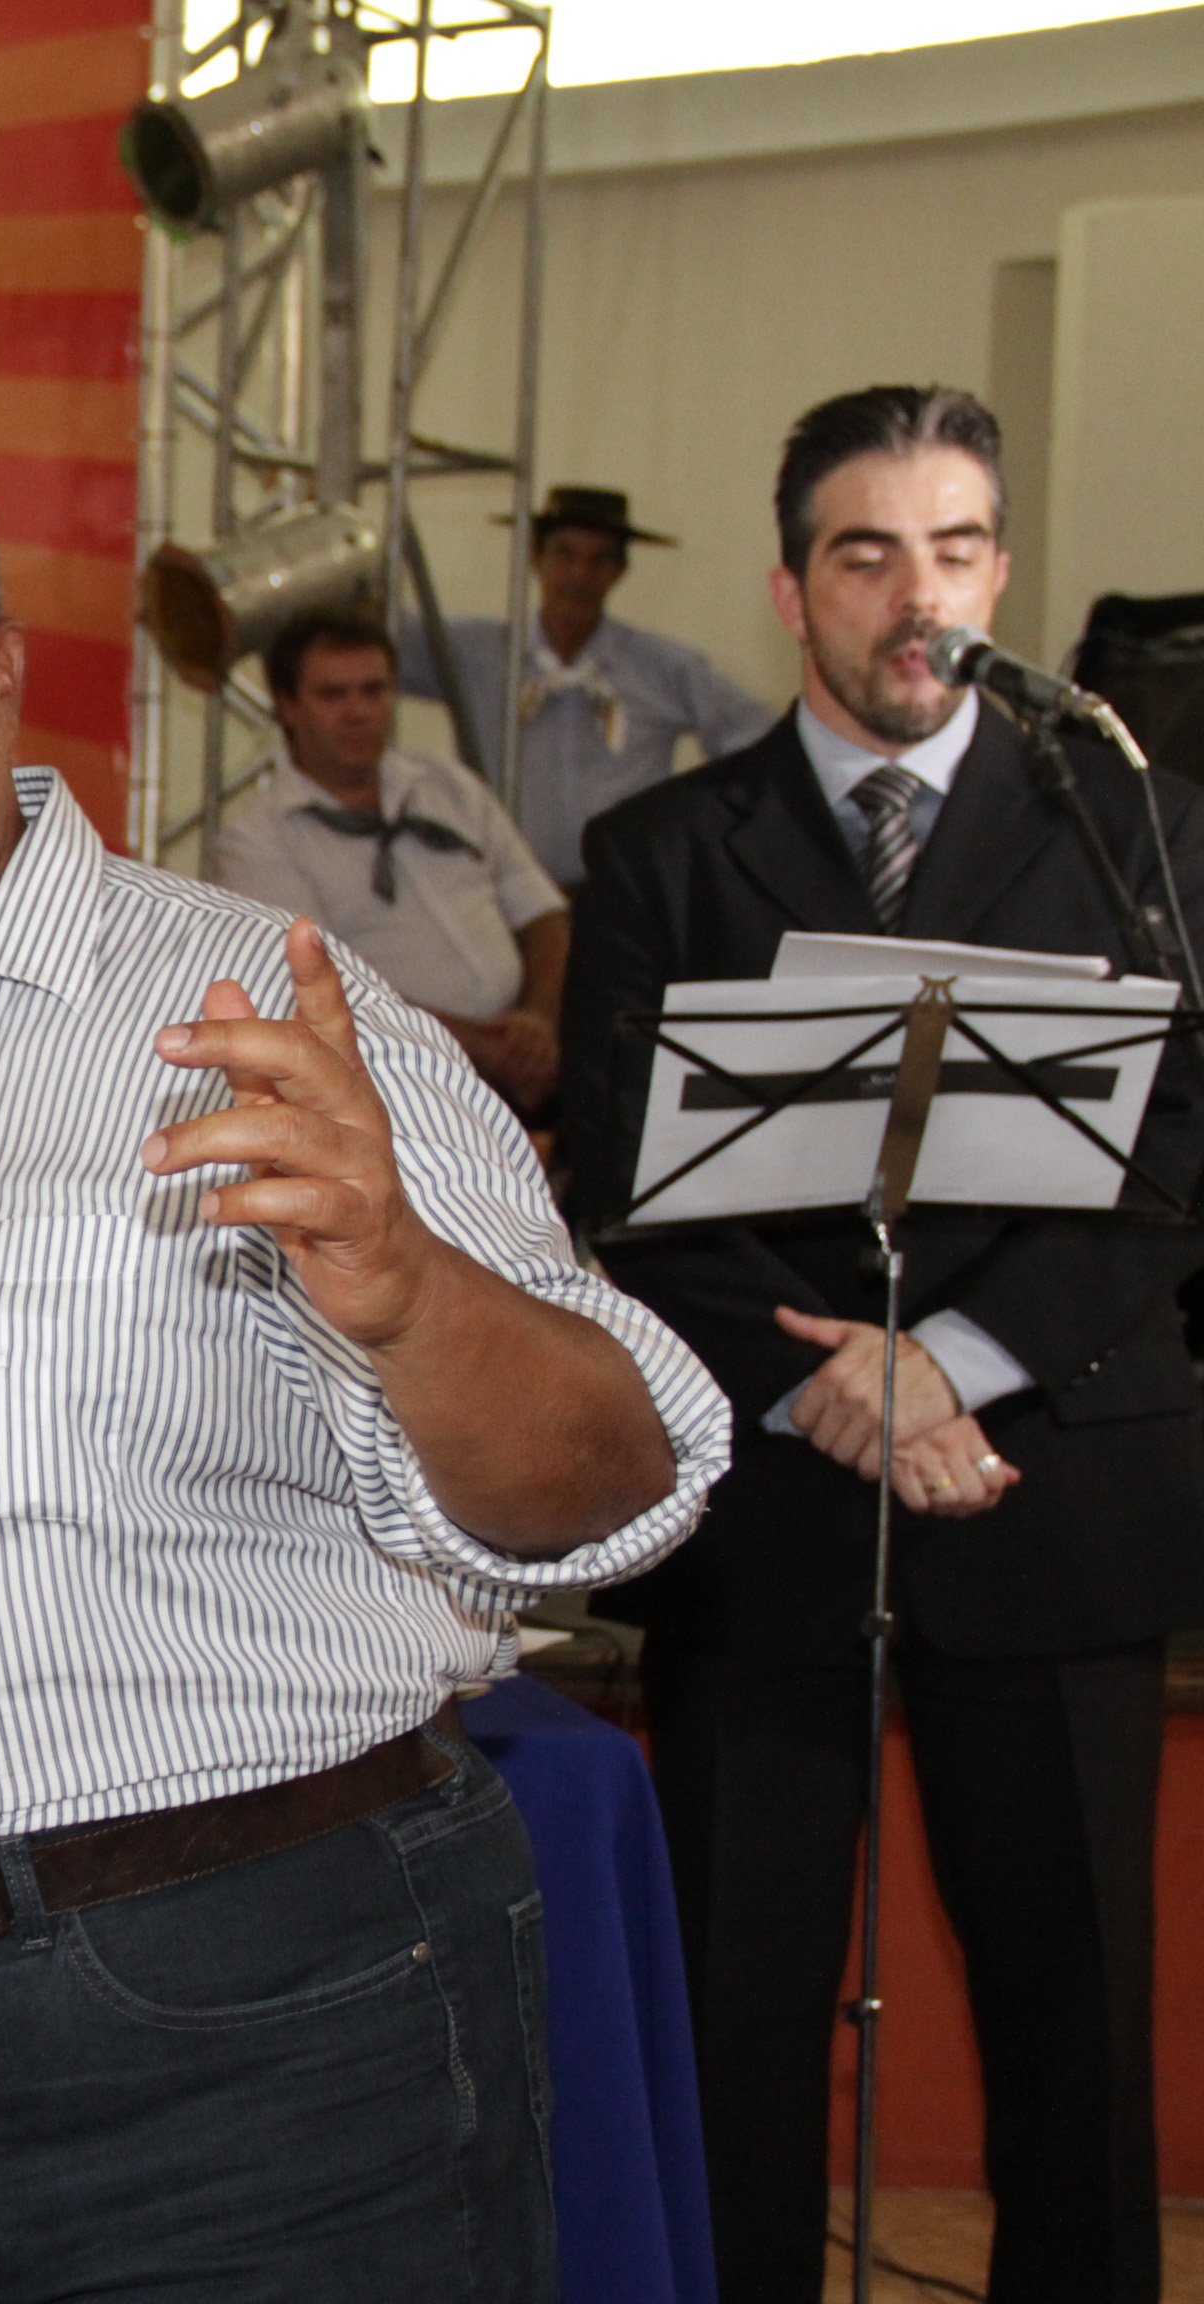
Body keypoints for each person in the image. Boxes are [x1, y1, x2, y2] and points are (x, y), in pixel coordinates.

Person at [0, 420, 732, 2301]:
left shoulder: (262, 1016)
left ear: (1, 665)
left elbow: (616, 1488)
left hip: (267, 2044)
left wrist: (409, 1292)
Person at [561, 386, 1204, 2304]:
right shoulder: (662, 848)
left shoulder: (1140, 823)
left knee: (1077, 2015)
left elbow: (1175, 1152)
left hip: (1043, 1469)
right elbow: (628, 1182)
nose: (915, 596)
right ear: (790, 590)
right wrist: (842, 1381)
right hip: (775, 1486)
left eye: (954, 549)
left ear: (1001, 573)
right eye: (865, 555)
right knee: (736, 2006)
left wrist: (956, 1360)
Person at [214, 607, 569, 1113]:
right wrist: (482, 1048)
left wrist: (540, 1020)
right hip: (393, 1081)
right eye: (333, 695)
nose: (357, 712)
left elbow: (544, 915)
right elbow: (317, 986)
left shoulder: (450, 787)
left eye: (374, 691)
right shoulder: (258, 838)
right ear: (288, 708)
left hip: (529, 1050)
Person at [409, 484, 776, 888]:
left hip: (621, 896)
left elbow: (758, 740)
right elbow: (374, 640)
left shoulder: (662, 668)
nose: (580, 575)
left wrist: (704, 826)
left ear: (620, 571)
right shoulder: (474, 653)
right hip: (496, 892)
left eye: (600, 560)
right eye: (565, 555)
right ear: (535, 558)